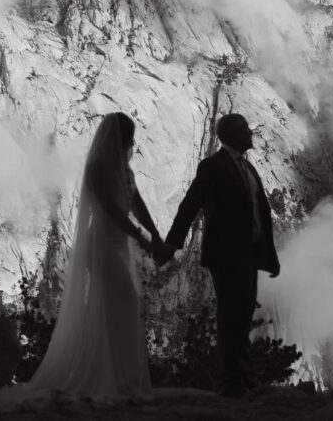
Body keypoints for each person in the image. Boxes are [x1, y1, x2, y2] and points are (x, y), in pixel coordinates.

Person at [25, 112, 165, 399]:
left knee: (112, 306)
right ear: (121, 139)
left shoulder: (125, 171)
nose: (132, 143)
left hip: (117, 244)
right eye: (129, 138)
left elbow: (137, 205)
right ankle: (109, 378)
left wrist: (155, 234)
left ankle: (114, 376)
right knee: (124, 301)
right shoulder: (98, 169)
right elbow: (111, 210)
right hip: (100, 243)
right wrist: (141, 237)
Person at [158, 113, 280, 398]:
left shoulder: (249, 168)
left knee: (243, 313)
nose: (250, 133)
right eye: (245, 129)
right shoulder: (213, 166)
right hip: (225, 254)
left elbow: (260, 214)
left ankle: (242, 377)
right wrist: (173, 243)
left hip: (248, 254)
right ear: (231, 135)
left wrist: (270, 256)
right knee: (231, 315)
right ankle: (230, 382)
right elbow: (190, 204)